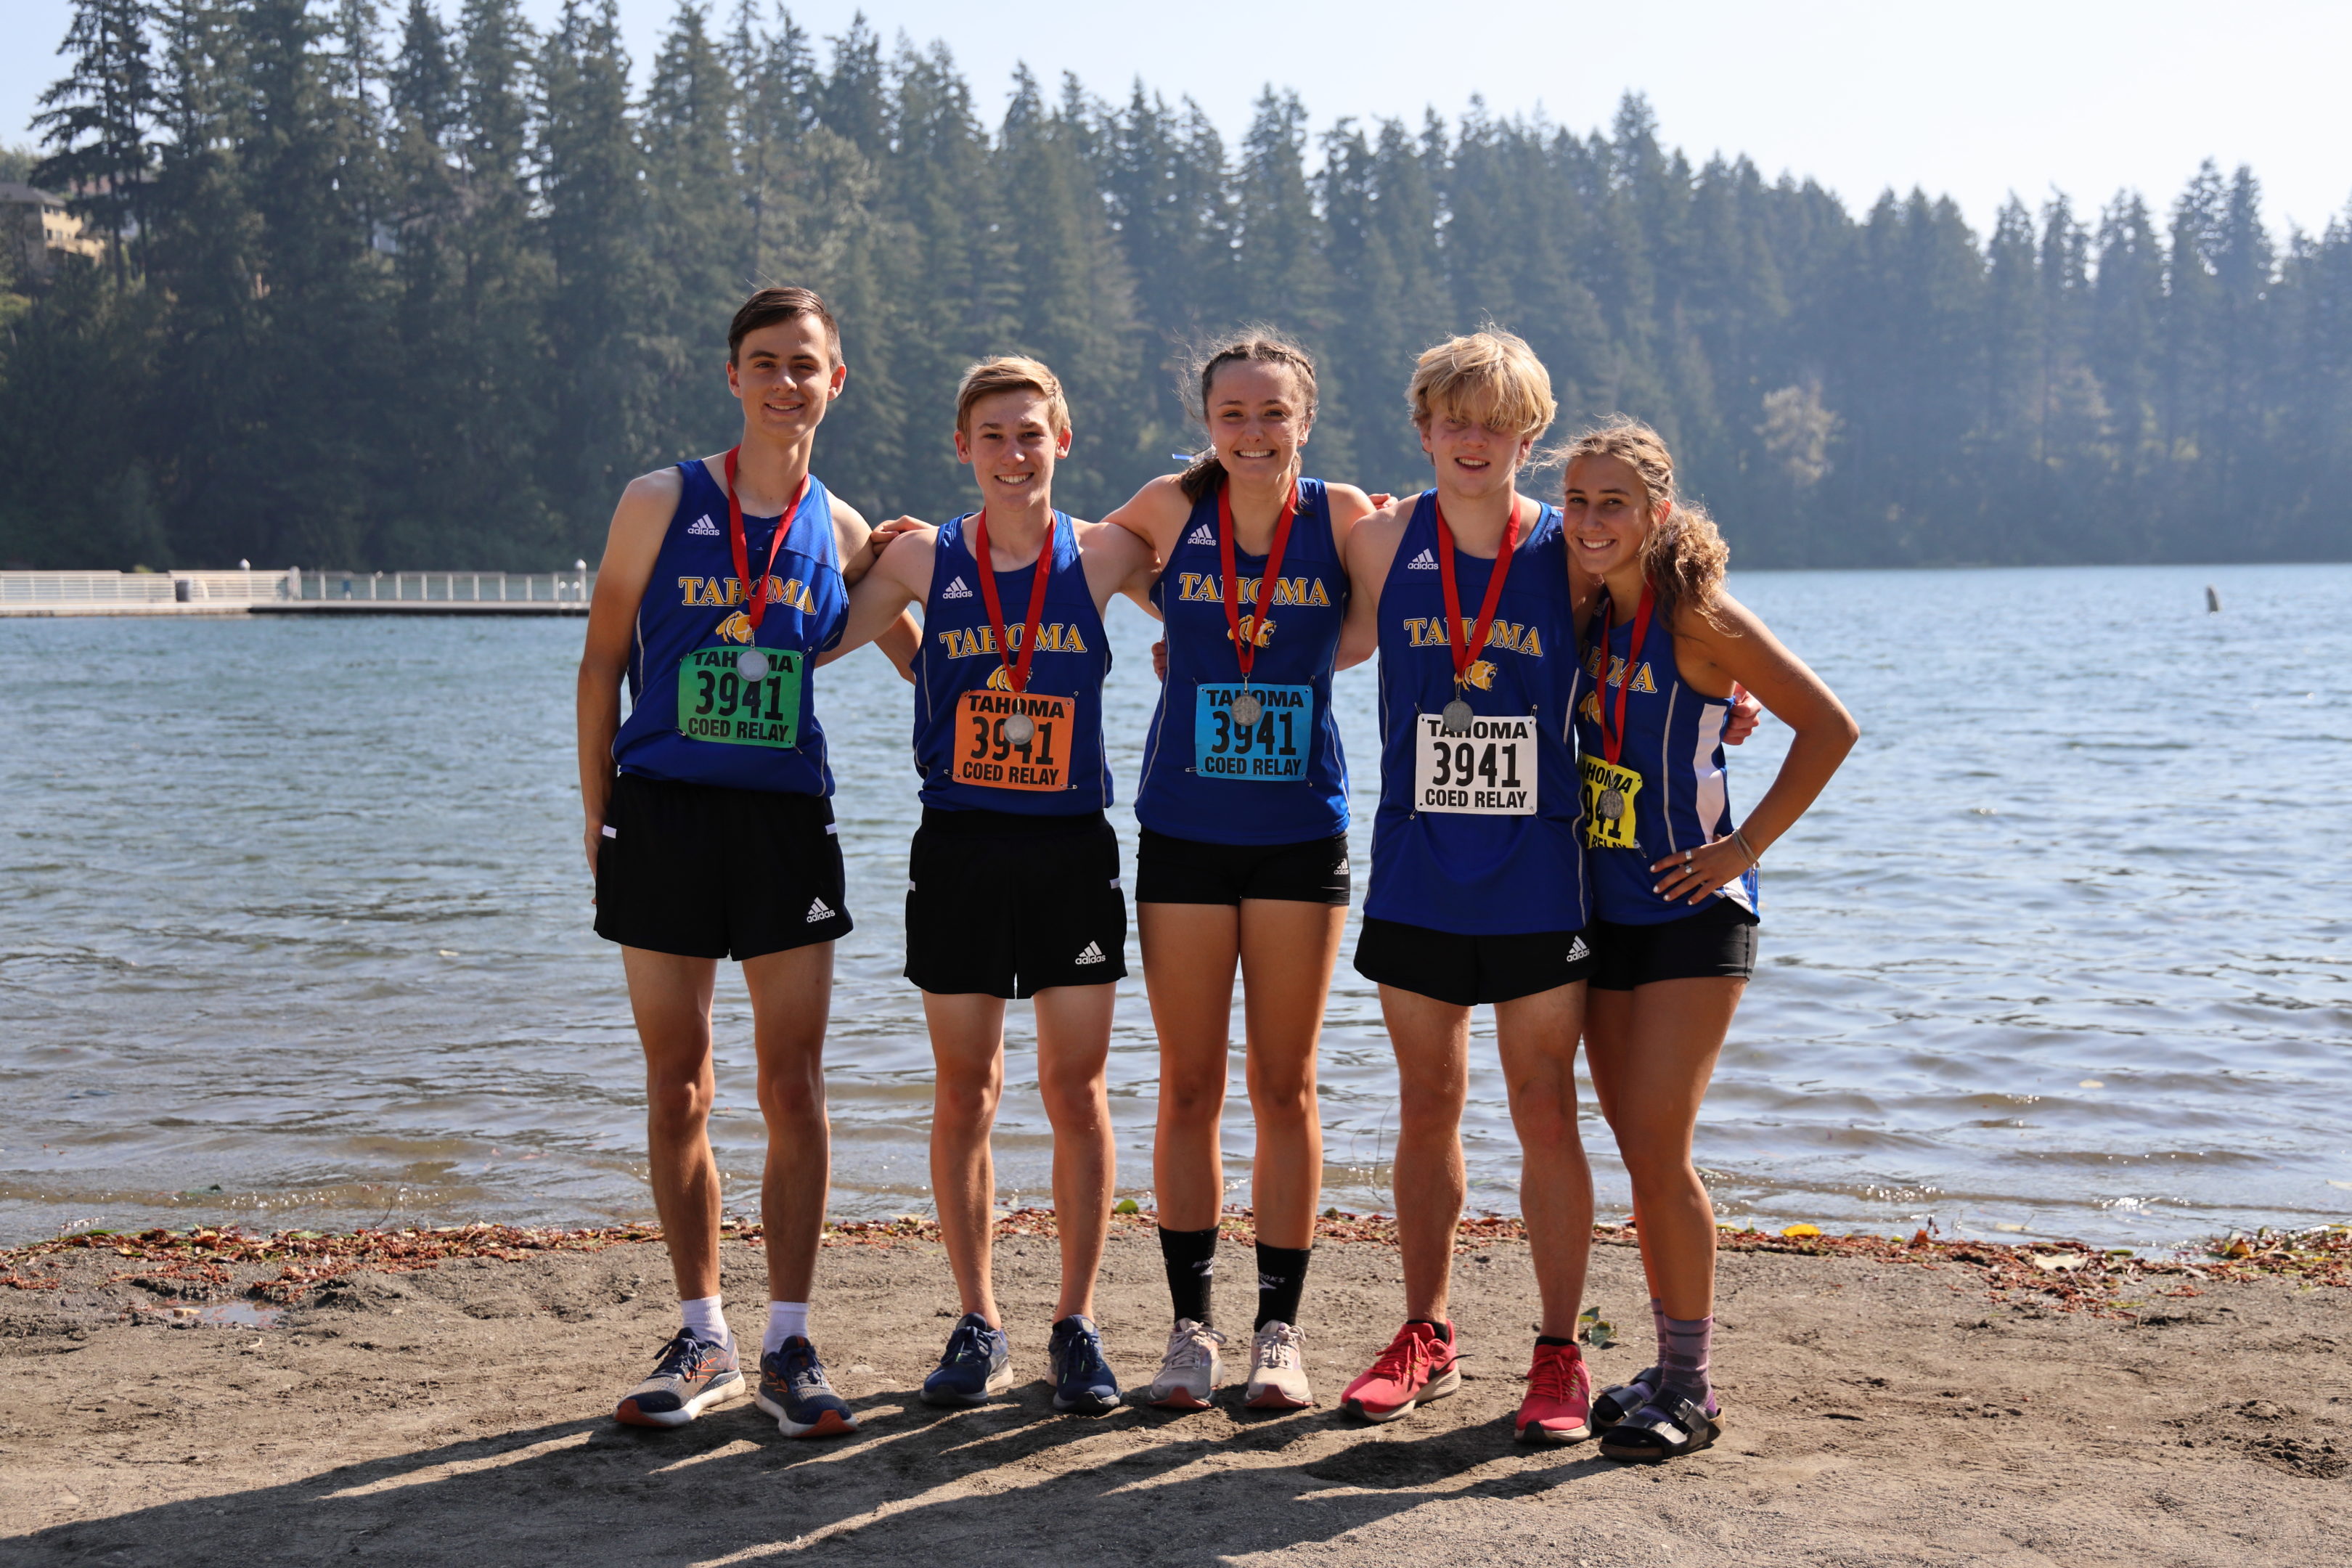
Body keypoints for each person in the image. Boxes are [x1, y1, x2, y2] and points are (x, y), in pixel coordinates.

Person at [576, 285, 917, 1440]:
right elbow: (600, 664)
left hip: (784, 826)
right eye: (763, 363)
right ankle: (702, 1331)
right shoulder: (659, 499)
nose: (784, 382)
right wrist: (596, 815)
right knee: (681, 1083)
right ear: (734, 378)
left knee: (794, 1087)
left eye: (804, 365)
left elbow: (932, 658)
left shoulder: (840, 527)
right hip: (662, 811)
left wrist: (932, 561)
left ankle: (789, 1339)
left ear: (837, 382)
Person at [833, 356, 1159, 1416]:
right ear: (961, 451)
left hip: (1072, 848)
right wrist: (860, 563)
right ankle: (980, 1322)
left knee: (1076, 1092)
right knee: (967, 1091)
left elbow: (1221, 604)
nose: (1013, 455)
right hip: (961, 844)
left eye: (1031, 434)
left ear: (1064, 439)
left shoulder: (1106, 551)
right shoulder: (928, 555)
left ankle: (1076, 1323)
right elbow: (819, 632)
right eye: (992, 438)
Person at [1561, 418, 1856, 1462]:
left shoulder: (1701, 618)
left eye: (1616, 504)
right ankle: (1661, 1363)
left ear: (1658, 512)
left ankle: (1690, 1383)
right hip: (1598, 915)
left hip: (1694, 911)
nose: (1593, 522)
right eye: (1580, 502)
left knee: (1659, 1146)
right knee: (1637, 1153)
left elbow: (1830, 726)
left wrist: (1741, 850)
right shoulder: (1584, 610)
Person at [1331, 329, 1604, 1442]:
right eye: (1455, 417)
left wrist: (1721, 704)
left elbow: (1657, 643)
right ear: (1424, 427)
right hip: (1417, 868)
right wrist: (1196, 651)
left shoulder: (1572, 548)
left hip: (1541, 872)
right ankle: (1427, 1333)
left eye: (1497, 421)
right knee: (1428, 1103)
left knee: (1544, 1107)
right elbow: (1280, 600)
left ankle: (1558, 1354)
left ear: (1529, 437)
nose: (1474, 437)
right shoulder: (1384, 536)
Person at [1101, 335, 1378, 1412]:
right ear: (1206, 420)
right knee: (1188, 1084)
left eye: (1273, 413)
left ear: (1305, 417)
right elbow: (1071, 556)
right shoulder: (1171, 507)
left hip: (1300, 828)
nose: (1253, 432)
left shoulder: (1346, 514)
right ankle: (1189, 1332)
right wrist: (1181, 624)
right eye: (1233, 414)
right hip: (1183, 827)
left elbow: (1396, 609)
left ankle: (1278, 1334)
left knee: (1284, 1084)